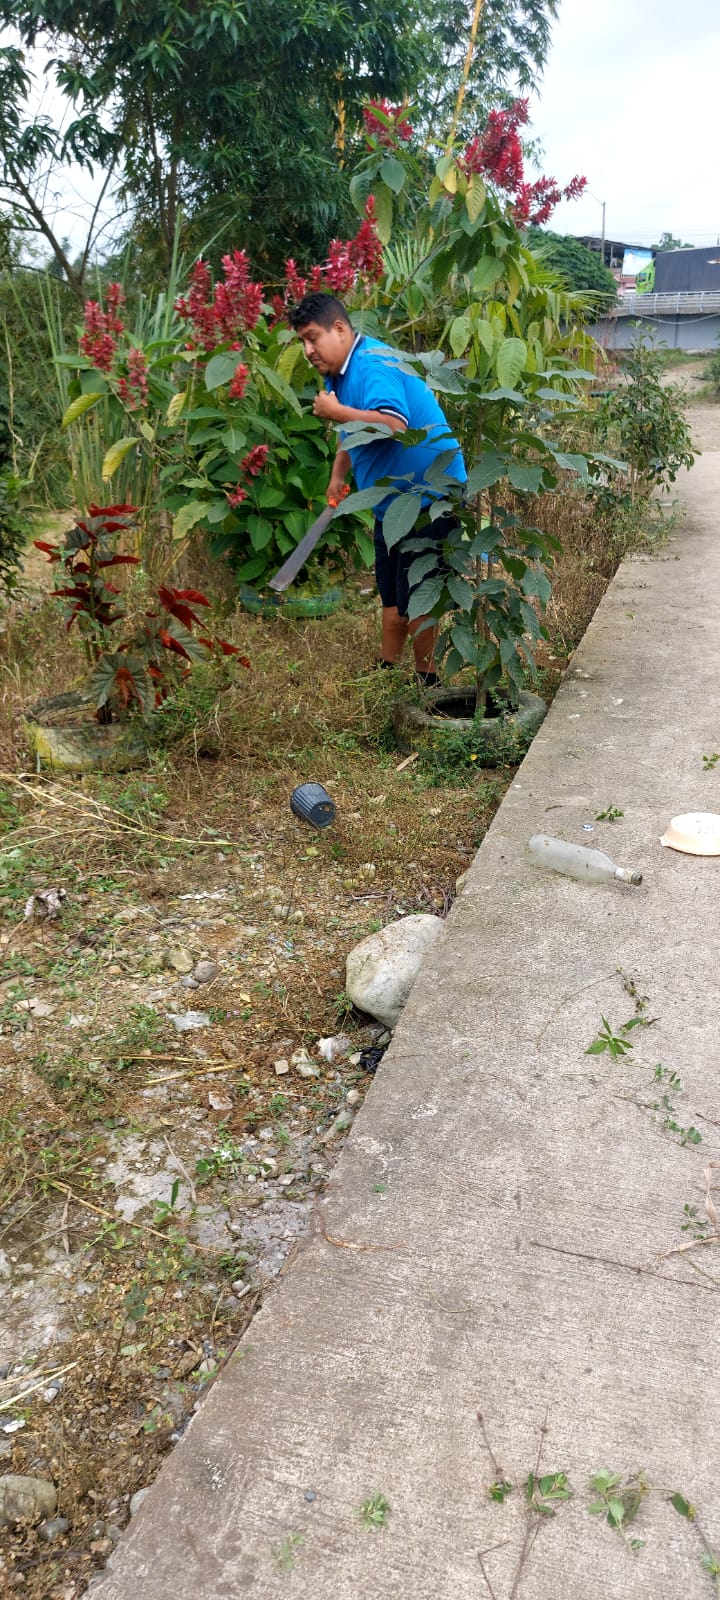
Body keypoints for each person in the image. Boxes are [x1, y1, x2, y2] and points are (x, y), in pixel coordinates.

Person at [289, 292, 466, 684]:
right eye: (302, 341)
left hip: (431, 496)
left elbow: (394, 425)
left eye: (312, 338)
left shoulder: (372, 363)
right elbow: (352, 428)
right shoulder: (338, 372)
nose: (308, 350)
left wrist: (336, 411)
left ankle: (428, 681)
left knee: (418, 594)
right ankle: (386, 670)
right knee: (391, 590)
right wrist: (338, 474)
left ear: (339, 329)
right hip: (393, 501)